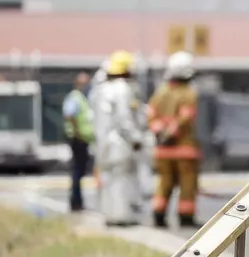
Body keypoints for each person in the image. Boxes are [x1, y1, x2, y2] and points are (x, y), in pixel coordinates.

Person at [147, 51, 202, 228]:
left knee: (164, 183)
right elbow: (186, 118)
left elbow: (151, 117)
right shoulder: (189, 93)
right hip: (184, 149)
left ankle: (158, 215)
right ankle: (186, 217)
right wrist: (172, 132)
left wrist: (160, 133)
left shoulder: (160, 93)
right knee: (187, 184)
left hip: (163, 151)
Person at [93, 50, 146, 226]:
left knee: (109, 181)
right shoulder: (123, 89)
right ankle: (121, 217)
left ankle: (110, 215)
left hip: (104, 144)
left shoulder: (101, 89)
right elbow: (125, 120)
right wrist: (136, 139)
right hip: (120, 144)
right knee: (122, 180)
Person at [62, 72, 96, 212]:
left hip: (82, 138)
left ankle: (78, 200)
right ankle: (75, 201)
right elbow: (70, 115)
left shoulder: (82, 98)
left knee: (80, 170)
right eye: (85, 83)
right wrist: (78, 132)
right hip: (78, 138)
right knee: (77, 170)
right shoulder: (75, 97)